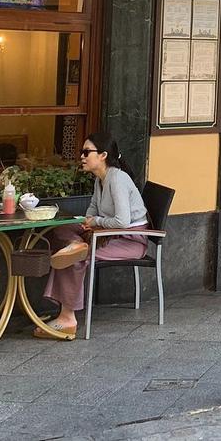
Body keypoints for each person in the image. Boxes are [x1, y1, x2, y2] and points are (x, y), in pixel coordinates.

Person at [38, 133, 149, 339]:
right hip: (108, 234)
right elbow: (93, 208)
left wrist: (95, 222)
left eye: (86, 152)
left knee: (77, 257)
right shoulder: (100, 179)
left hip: (129, 240)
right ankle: (74, 244)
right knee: (61, 229)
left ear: (103, 155)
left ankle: (67, 317)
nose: (82, 156)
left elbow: (122, 222)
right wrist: (86, 222)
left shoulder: (116, 178)